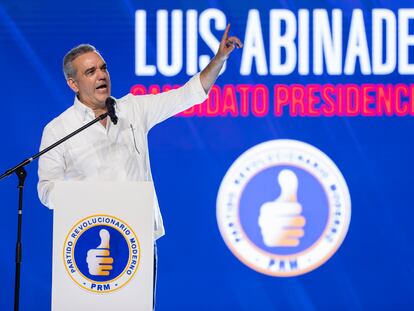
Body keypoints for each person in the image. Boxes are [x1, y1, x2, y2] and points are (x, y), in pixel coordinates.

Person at [37, 24, 242, 307]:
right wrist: (84, 196)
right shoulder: (59, 129)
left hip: (137, 240)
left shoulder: (132, 109)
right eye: (90, 72)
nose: (101, 75)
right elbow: (46, 190)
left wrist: (219, 60)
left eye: (103, 68)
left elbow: (187, 94)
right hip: (86, 241)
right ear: (73, 84)